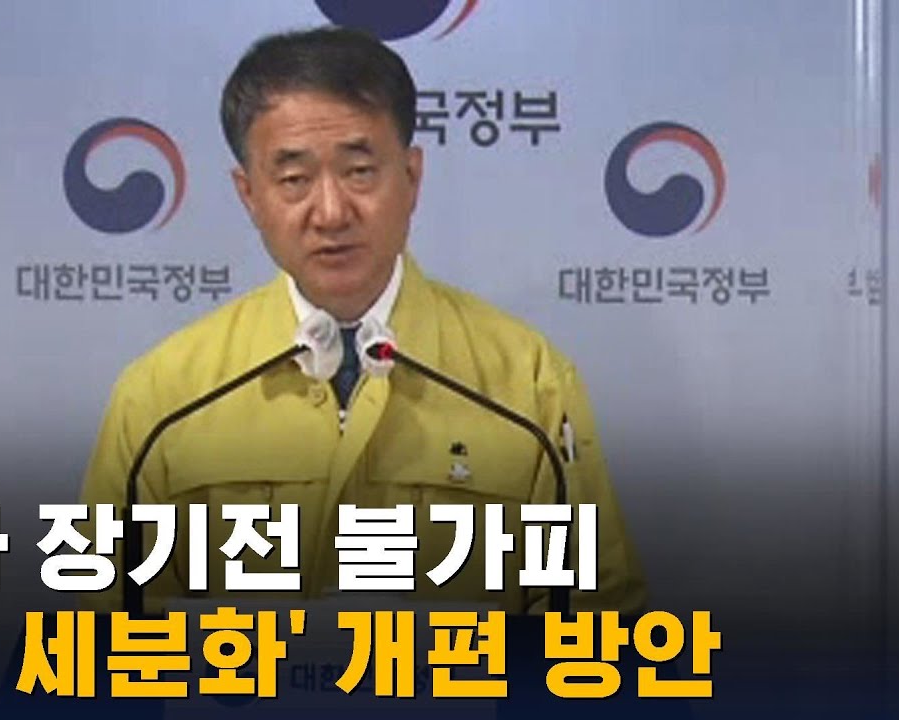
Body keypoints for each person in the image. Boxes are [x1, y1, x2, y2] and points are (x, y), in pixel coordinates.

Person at [78, 26, 645, 616]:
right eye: (294, 180)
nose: (330, 212)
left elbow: (601, 631)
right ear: (249, 195)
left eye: (359, 171)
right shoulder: (166, 395)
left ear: (412, 177)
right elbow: (90, 638)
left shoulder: (526, 380)